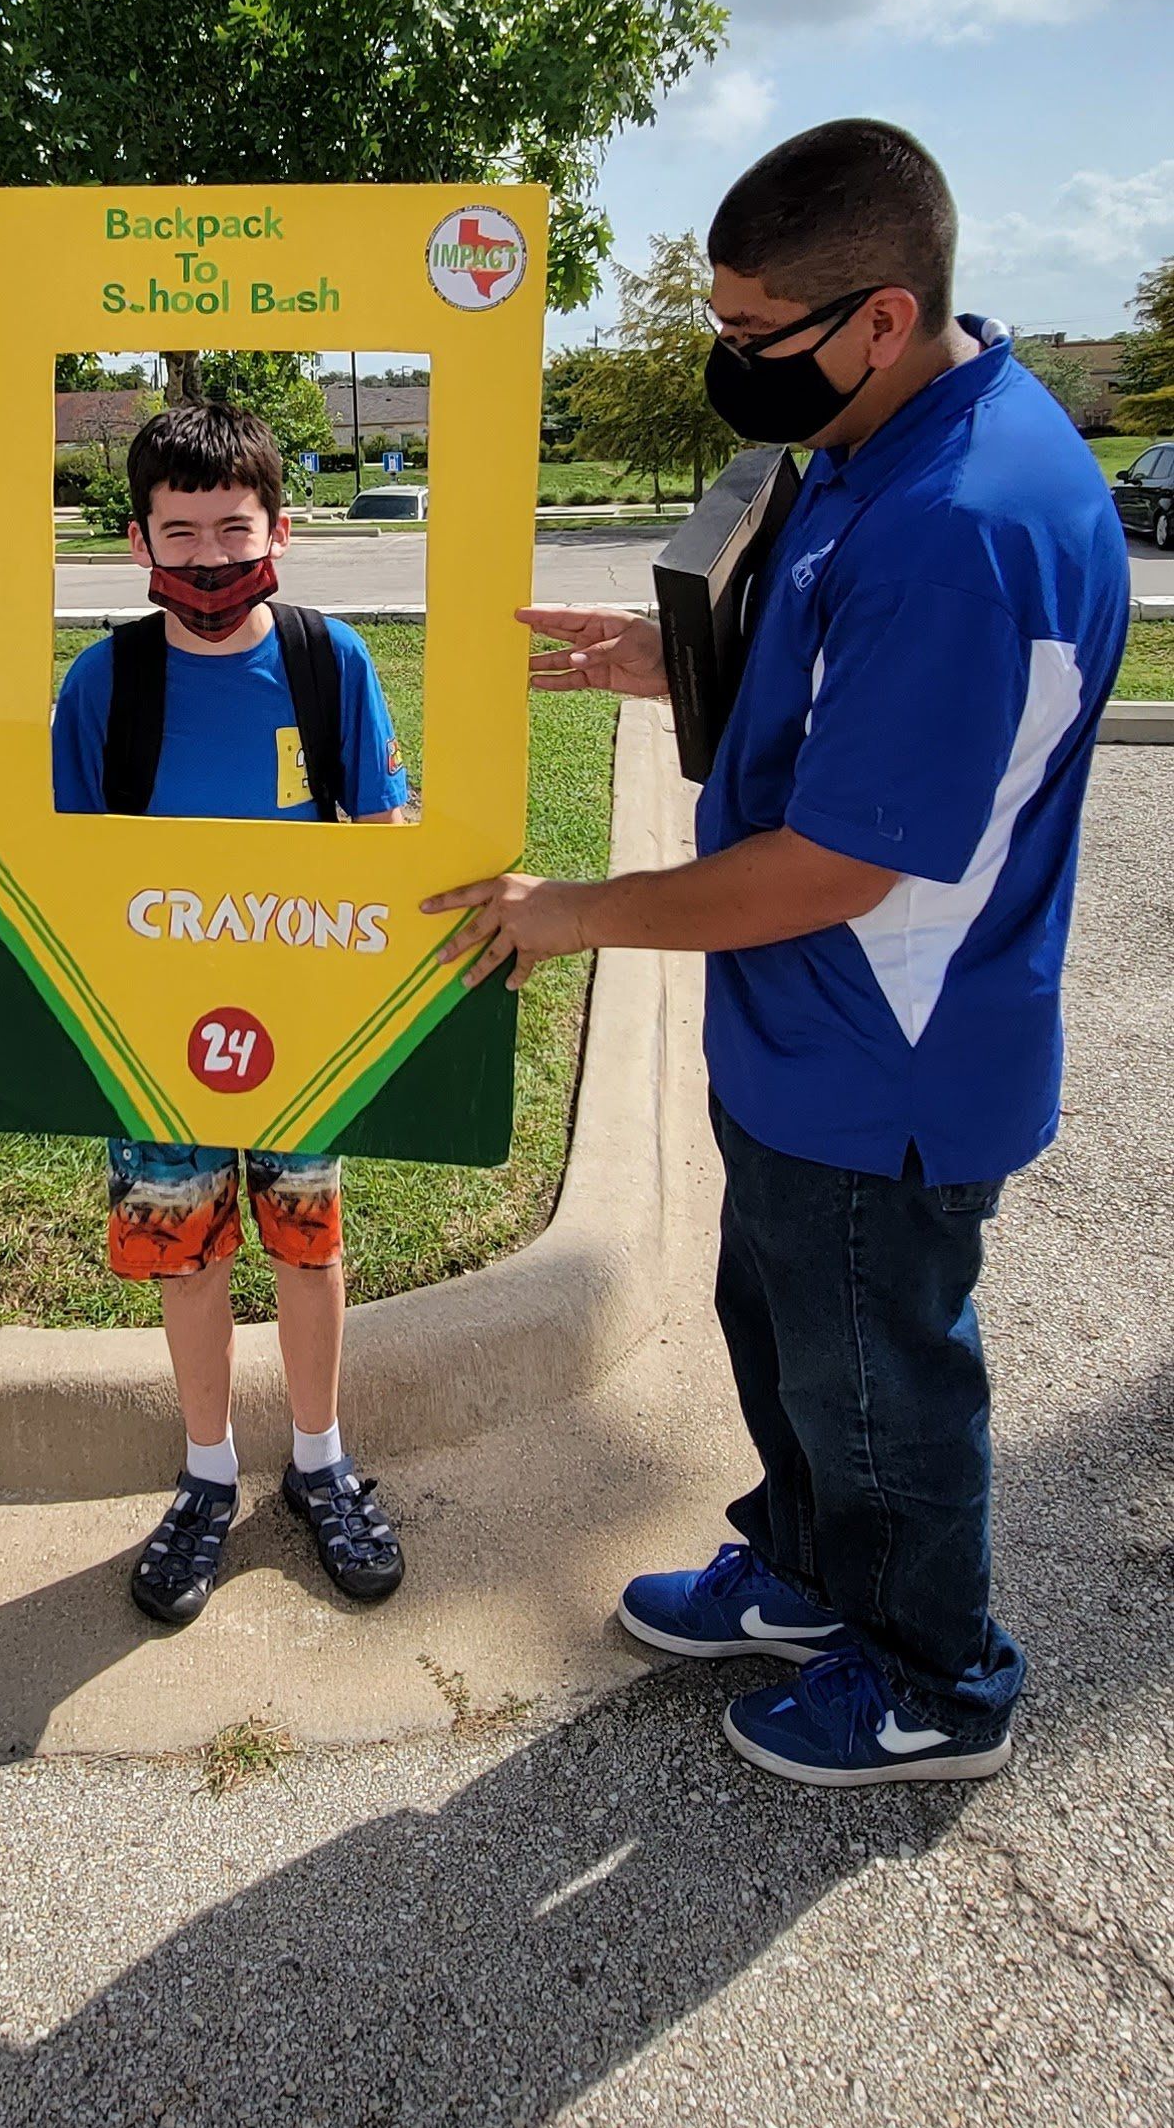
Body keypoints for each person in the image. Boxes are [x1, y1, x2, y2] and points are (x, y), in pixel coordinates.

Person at [426, 119, 1130, 1791]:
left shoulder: (965, 518)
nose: (735, 367)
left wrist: (575, 913)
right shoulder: (877, 436)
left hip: (887, 1060)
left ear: (883, 313)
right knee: (796, 1340)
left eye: (759, 338)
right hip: (806, 1050)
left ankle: (939, 1681)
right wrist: (663, 665)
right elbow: (834, 700)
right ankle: (810, 1578)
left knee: (884, 1389)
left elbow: (837, 863)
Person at [53, 398, 412, 1625]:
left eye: (233, 527)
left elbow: (380, 827)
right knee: (185, 1256)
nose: (209, 559)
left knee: (308, 1245)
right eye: (180, 531)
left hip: (305, 1028)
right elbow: (69, 874)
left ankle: (319, 1457)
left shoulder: (330, 661)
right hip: (157, 1041)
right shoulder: (106, 683)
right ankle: (207, 1472)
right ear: (138, 543)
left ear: (281, 528)